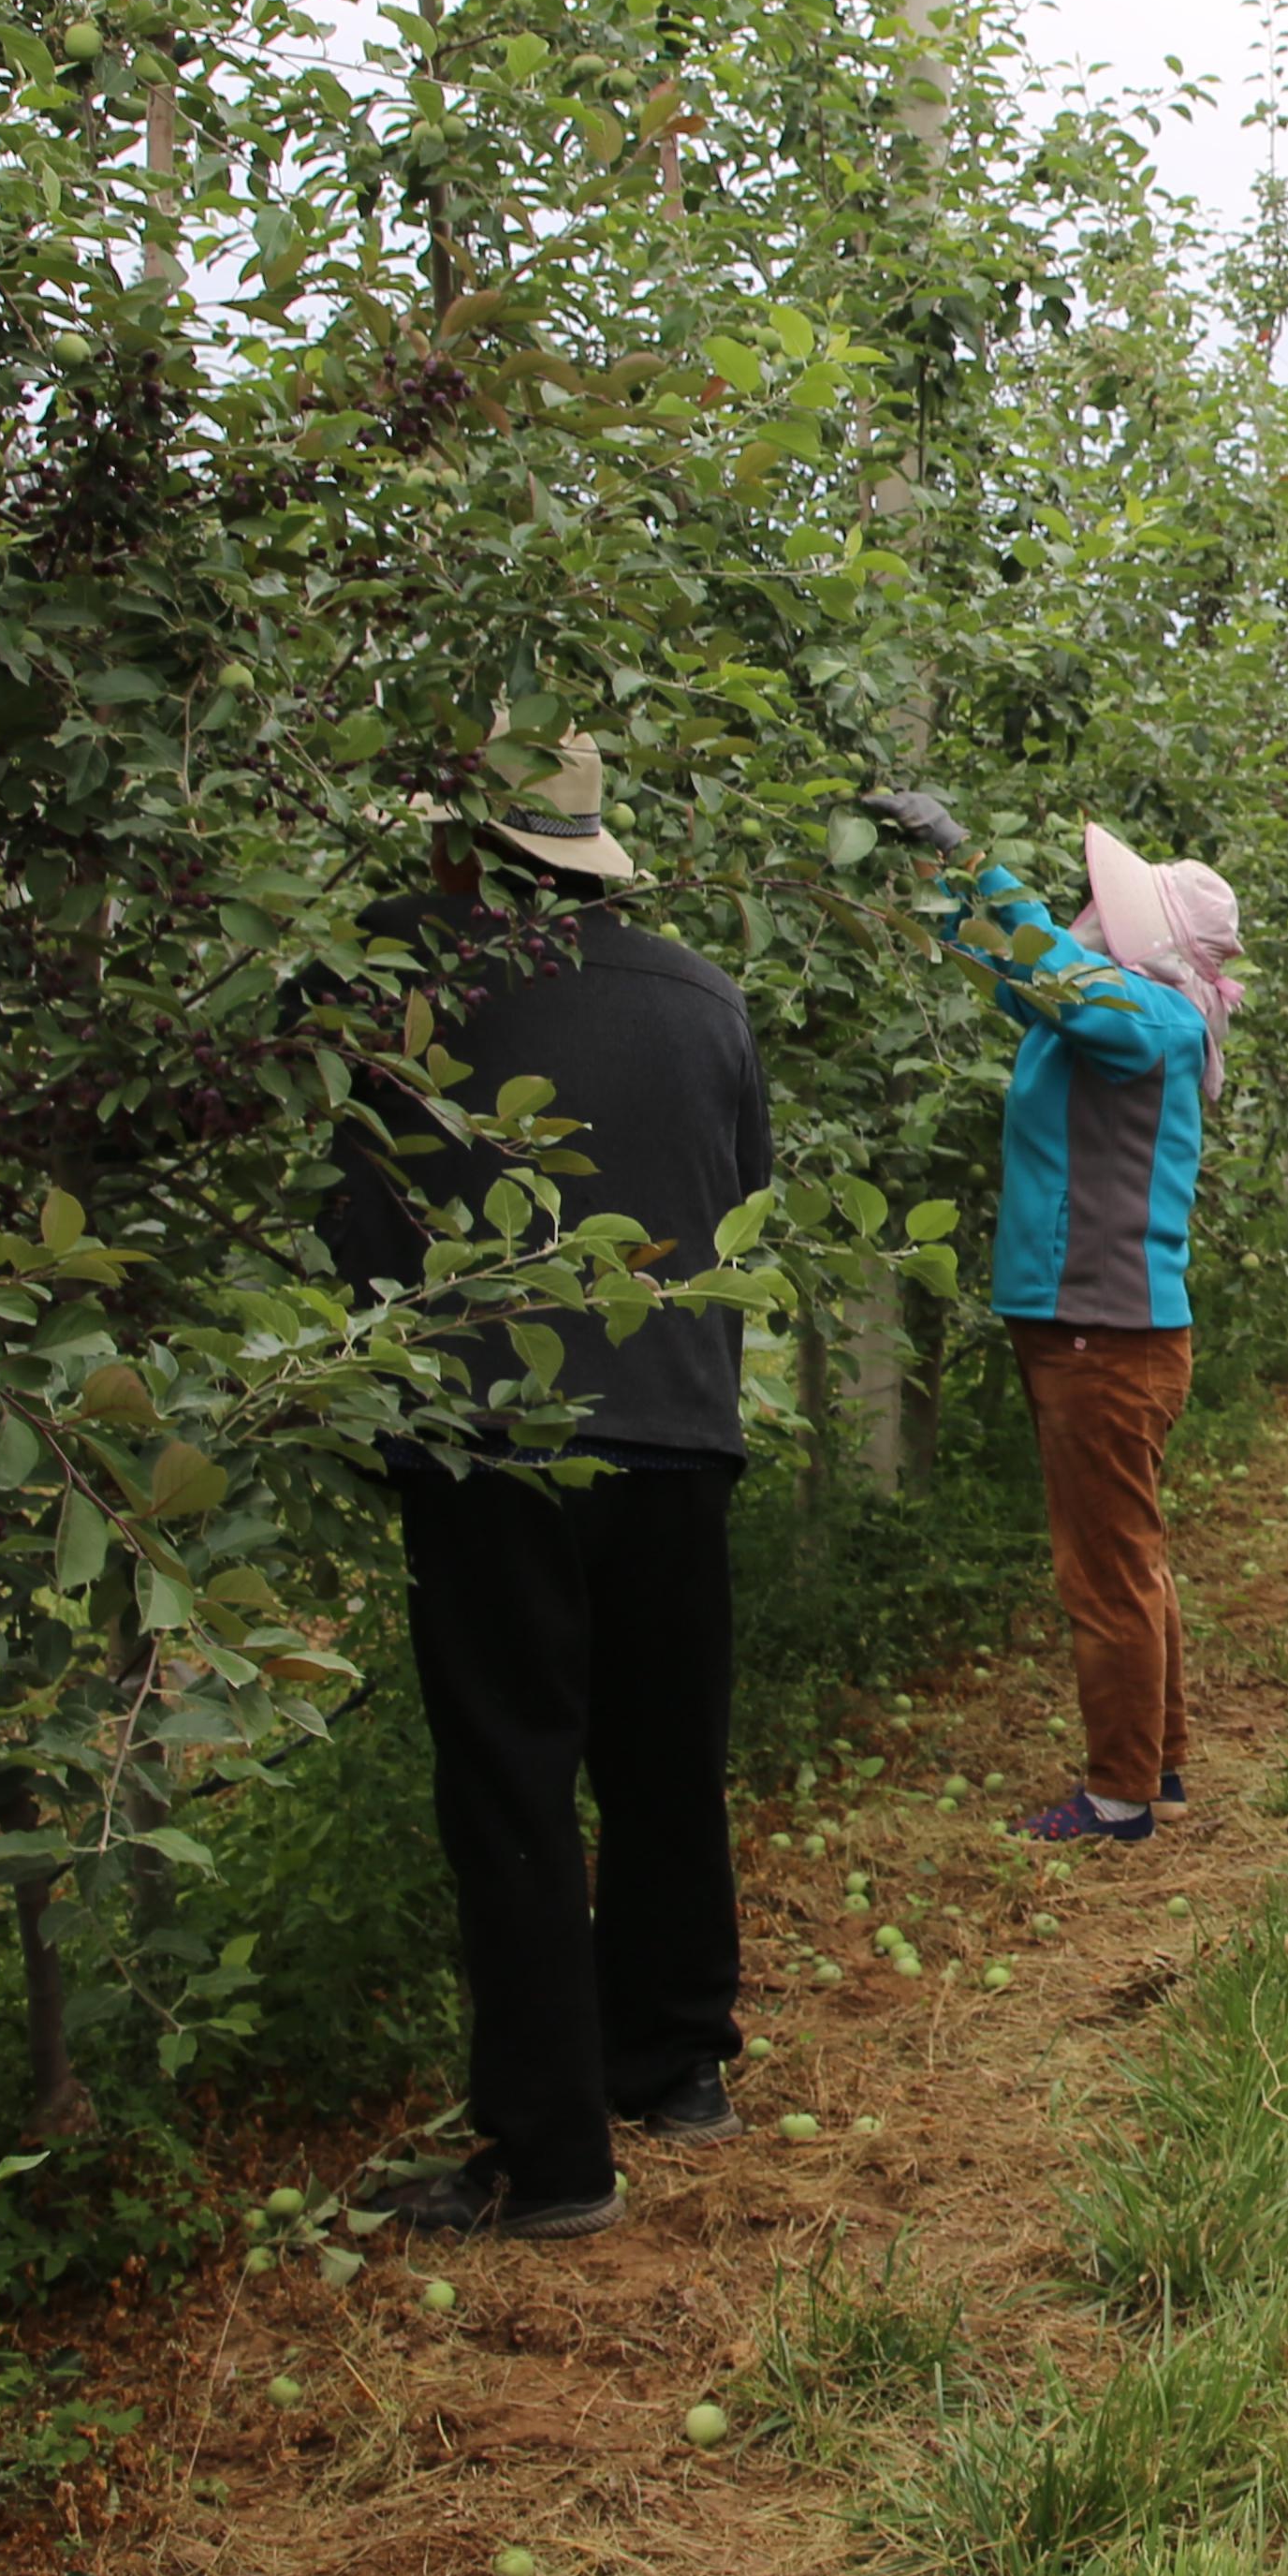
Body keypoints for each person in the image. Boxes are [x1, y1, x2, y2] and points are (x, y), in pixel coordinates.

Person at [324, 735, 769, 2242]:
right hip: (681, 1432)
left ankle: (554, 2157)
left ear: (462, 852)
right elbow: (744, 1203)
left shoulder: (395, 972)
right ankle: (675, 2064)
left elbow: (346, 1198)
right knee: (662, 1759)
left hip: (496, 1433)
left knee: (513, 1779)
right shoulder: (702, 994)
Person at [929, 820, 1244, 1846]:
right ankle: (1160, 1763)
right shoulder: (1121, 1012)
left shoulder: (1150, 1017)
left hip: (1099, 1335)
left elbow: (1059, 981)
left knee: (1103, 1566)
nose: (1087, 915)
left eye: (1107, 910)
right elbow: (1024, 976)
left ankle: (1118, 1798)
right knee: (1128, 1552)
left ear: (1146, 938)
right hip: (1094, 1330)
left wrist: (980, 861)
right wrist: (943, 889)